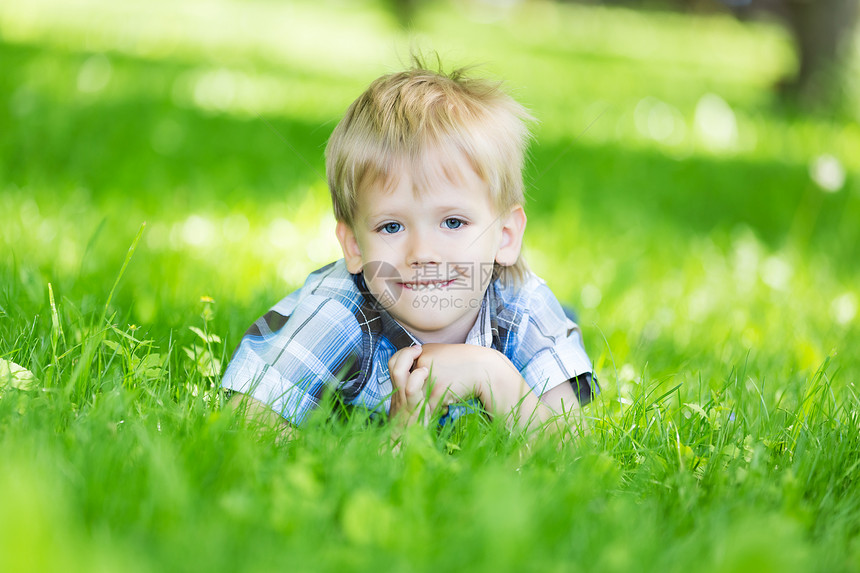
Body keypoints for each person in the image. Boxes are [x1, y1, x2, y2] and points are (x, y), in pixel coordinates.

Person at [221, 58, 597, 438]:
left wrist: (491, 372)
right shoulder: (340, 312)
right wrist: (392, 445)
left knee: (558, 323)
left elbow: (570, 448)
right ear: (354, 246)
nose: (423, 253)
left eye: (453, 222)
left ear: (505, 236)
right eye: (392, 226)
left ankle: (564, 338)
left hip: (501, 308)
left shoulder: (523, 308)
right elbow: (245, 426)